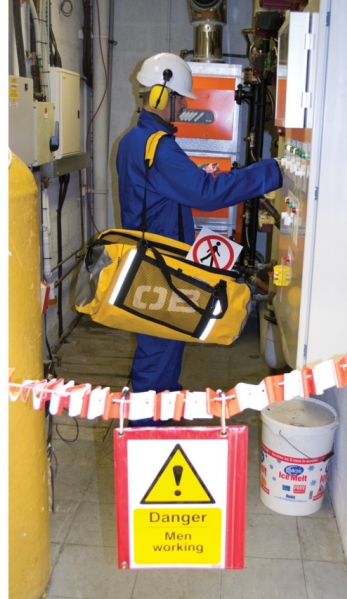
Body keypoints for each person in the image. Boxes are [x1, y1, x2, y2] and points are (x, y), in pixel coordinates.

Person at [116, 52, 282, 425]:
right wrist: (272, 171)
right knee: (159, 353)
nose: (183, 107)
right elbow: (207, 193)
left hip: (151, 261)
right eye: (179, 99)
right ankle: (146, 433)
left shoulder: (132, 140)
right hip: (161, 266)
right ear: (161, 95)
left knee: (163, 348)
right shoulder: (157, 146)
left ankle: (162, 420)